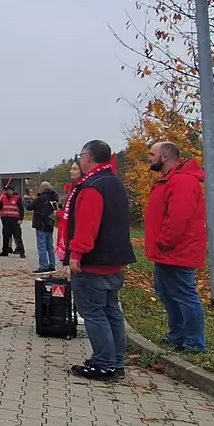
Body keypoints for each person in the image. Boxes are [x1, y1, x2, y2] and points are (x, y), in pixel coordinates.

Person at [62, 140, 137, 382]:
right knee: (111, 310)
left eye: (81, 156)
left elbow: (87, 226)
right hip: (114, 259)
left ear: (87, 157)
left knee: (94, 313)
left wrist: (76, 254)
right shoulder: (114, 182)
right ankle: (115, 361)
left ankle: (104, 364)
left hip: (94, 262)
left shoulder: (92, 187)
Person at [144, 141, 208, 353]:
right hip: (167, 252)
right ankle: (178, 335)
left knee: (184, 294)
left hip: (177, 250)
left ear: (165, 157)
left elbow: (179, 218)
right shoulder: (169, 180)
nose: (149, 158)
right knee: (167, 293)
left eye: (152, 154)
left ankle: (194, 343)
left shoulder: (182, 182)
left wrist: (164, 241)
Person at [0, 183, 28, 258]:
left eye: (10, 190)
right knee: (5, 237)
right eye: (7, 190)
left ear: (13, 191)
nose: (9, 192)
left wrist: (20, 219)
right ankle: (5, 251)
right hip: (5, 220)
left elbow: (21, 210)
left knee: (17, 237)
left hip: (15, 221)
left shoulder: (17, 198)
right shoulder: (3, 198)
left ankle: (21, 252)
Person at [56, 162, 83, 268]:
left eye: (75, 169)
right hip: (69, 230)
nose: (71, 171)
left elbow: (74, 213)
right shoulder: (74, 189)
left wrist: (59, 213)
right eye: (71, 169)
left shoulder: (82, 189)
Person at [30, 181, 61, 273]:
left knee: (41, 246)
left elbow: (29, 207)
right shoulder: (54, 197)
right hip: (50, 224)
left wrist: (28, 200)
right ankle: (52, 265)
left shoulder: (41, 198)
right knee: (49, 246)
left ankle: (43, 266)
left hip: (41, 224)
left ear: (42, 188)